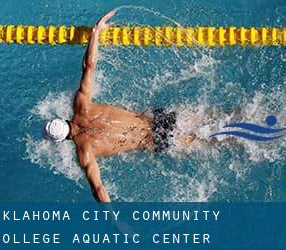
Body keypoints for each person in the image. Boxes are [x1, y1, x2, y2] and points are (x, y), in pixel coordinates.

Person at [44, 11, 196, 202]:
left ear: (62, 140)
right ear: (62, 119)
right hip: (158, 118)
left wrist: (116, 222)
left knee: (213, 141)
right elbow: (89, 66)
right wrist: (95, 33)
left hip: (157, 140)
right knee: (212, 118)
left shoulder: (85, 152)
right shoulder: (81, 105)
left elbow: (98, 189)